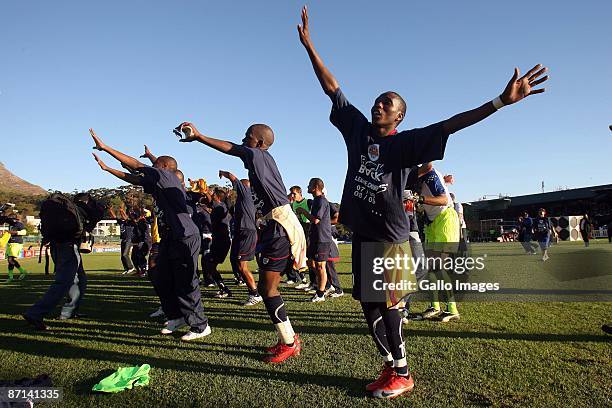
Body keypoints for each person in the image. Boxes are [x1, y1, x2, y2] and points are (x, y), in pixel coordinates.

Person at [297, 4, 548, 398]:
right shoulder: (358, 131)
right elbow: (334, 89)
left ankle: (403, 372)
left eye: (387, 104)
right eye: (378, 100)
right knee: (368, 306)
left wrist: (500, 102)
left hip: (390, 238)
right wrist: (310, 46)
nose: (378, 105)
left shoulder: (405, 143)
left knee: (390, 305)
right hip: (363, 234)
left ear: (398, 117)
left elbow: (452, 124)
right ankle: (390, 366)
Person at [177, 120, 306, 363]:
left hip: (279, 225)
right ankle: (288, 339)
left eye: (247, 136)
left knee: (268, 290)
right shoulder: (260, 160)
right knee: (268, 289)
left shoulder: (257, 154)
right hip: (275, 223)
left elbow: (232, 148)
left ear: (258, 143)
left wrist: (200, 136)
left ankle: (289, 342)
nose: (243, 139)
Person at [91, 128, 210, 341]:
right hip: (170, 237)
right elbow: (134, 178)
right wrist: (109, 169)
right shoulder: (161, 182)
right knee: (159, 275)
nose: (150, 169)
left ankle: (200, 325)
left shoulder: (166, 175)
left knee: (186, 281)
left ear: (163, 168)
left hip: (185, 236)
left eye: (155, 165)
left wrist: (106, 148)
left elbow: (137, 166)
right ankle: (175, 316)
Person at [418, 166, 461, 322]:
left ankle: (452, 309)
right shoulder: (418, 176)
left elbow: (443, 198)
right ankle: (434, 306)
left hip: (445, 219)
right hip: (431, 223)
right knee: (431, 269)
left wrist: (419, 199)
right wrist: (446, 181)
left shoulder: (429, 174)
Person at [220, 170, 263, 306]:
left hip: (246, 233)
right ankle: (252, 290)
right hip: (241, 233)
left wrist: (224, 173)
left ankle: (255, 294)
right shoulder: (242, 201)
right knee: (237, 263)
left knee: (242, 265)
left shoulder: (245, 195)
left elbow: (233, 177)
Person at [295, 178, 331, 302]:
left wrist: (303, 211)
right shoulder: (316, 200)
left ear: (315, 187)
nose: (307, 187)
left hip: (322, 238)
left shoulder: (321, 200)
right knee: (311, 263)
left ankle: (321, 294)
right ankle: (323, 284)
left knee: (321, 266)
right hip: (315, 237)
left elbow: (316, 220)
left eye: (310, 185)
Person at [204, 188, 233, 298]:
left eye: (214, 195)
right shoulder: (221, 206)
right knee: (210, 265)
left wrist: (205, 191)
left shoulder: (219, 205)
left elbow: (210, 201)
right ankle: (223, 288)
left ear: (219, 198)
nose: (212, 195)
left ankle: (225, 290)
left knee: (210, 266)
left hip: (221, 241)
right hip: (220, 240)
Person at [289, 186, 310, 287]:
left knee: (306, 257)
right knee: (296, 256)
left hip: (306, 231)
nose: (292, 196)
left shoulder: (308, 202)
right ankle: (302, 278)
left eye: (294, 193)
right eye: (291, 194)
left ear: (300, 193)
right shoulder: (292, 205)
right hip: (296, 232)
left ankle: (311, 281)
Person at [0, 213, 28, 282]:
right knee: (10, 261)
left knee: (10, 259)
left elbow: (24, 232)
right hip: (10, 244)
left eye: (10, 219)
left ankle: (22, 271)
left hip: (17, 243)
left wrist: (12, 232)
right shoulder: (10, 224)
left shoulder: (19, 224)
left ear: (15, 219)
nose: (9, 220)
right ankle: (11, 276)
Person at [109, 206, 136, 275]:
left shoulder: (130, 222)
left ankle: (131, 267)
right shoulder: (121, 222)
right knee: (122, 256)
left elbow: (126, 217)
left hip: (128, 240)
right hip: (123, 240)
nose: (122, 216)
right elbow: (114, 217)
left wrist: (121, 211)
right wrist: (110, 210)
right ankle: (126, 269)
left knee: (125, 254)